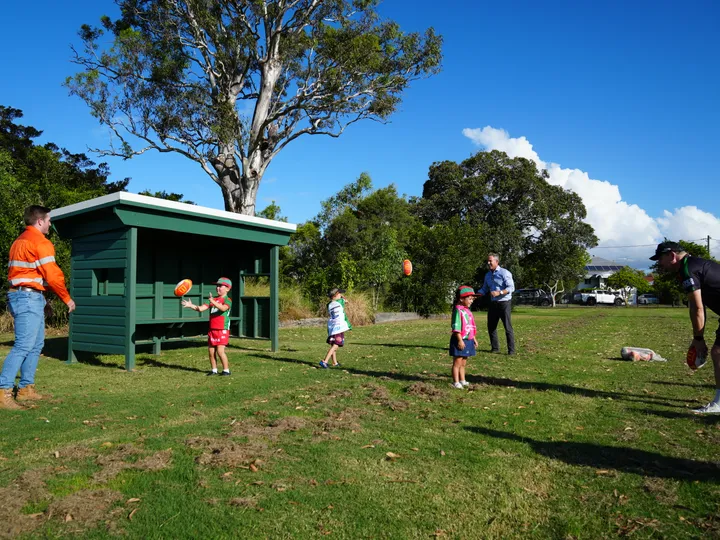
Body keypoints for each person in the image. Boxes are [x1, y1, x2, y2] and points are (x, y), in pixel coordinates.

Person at [0, 206, 76, 410]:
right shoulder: (41, 242)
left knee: (35, 344)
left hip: (27, 296)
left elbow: (31, 274)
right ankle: (4, 391)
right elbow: (52, 275)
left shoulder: (19, 241)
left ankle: (25, 389)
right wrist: (66, 298)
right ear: (40, 221)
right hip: (27, 297)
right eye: (49, 220)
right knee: (24, 345)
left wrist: (44, 301)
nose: (51, 224)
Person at [651, 241, 720, 413]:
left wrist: (698, 339)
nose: (660, 263)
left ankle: (719, 403)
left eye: (661, 259)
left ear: (672, 255)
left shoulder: (687, 270)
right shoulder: (696, 264)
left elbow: (697, 308)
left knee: (718, 353)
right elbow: (696, 306)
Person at [182, 277, 233, 376]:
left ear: (227, 288)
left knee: (220, 351)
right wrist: (191, 305)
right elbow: (201, 309)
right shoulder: (212, 299)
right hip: (212, 329)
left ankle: (226, 370)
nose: (217, 288)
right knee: (210, 351)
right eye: (217, 286)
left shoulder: (227, 299)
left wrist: (212, 301)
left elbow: (223, 308)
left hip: (222, 329)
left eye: (220, 286)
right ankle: (214, 370)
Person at [475, 253, 515, 355]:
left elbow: (511, 288)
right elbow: (484, 288)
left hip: (504, 303)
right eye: (487, 261)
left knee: (507, 327)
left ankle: (511, 351)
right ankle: (495, 348)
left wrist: (500, 292)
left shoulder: (504, 273)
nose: (488, 263)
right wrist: (478, 294)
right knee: (491, 327)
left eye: (490, 261)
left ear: (497, 262)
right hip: (493, 303)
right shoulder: (487, 275)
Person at [449, 285, 479, 389]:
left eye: (472, 299)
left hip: (468, 340)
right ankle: (455, 382)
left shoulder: (467, 311)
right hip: (460, 340)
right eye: (470, 299)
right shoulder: (458, 311)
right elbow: (456, 327)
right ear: (461, 299)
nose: (472, 301)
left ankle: (462, 380)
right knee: (457, 362)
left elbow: (470, 326)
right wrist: (460, 340)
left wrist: (474, 338)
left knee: (463, 363)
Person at [320, 287, 351, 369]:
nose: (341, 295)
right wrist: (343, 298)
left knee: (333, 344)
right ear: (336, 295)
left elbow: (337, 300)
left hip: (332, 326)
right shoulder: (341, 302)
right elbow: (346, 301)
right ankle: (324, 361)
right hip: (339, 326)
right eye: (340, 293)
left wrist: (340, 297)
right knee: (336, 344)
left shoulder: (329, 305)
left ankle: (334, 362)